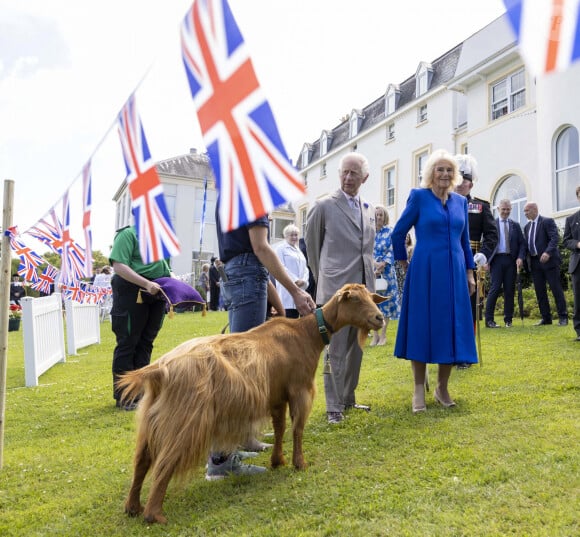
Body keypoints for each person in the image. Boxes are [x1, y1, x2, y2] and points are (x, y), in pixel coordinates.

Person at [205, 204, 317, 480]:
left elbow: (251, 257)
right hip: (247, 278)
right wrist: (295, 291)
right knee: (240, 372)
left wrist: (278, 305)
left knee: (242, 368)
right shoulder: (251, 192)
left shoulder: (233, 190)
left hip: (240, 276)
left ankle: (240, 440)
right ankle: (220, 459)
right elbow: (261, 249)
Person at [392, 149, 477, 413]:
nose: (444, 174)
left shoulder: (460, 202)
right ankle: (418, 389)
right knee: (422, 326)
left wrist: (470, 272)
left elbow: (464, 242)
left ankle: (442, 387)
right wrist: (405, 264)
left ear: (456, 175)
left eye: (449, 170)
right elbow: (398, 233)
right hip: (425, 270)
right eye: (439, 169)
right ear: (431, 173)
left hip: (454, 270)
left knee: (451, 326)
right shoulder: (419, 197)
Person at [305, 152, 376, 424]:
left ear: (364, 178)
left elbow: (365, 251)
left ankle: (348, 398)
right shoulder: (323, 206)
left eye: (354, 174)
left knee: (356, 348)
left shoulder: (368, 209)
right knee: (334, 350)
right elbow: (312, 248)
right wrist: (324, 279)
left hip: (364, 292)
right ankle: (333, 407)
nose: (348, 178)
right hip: (336, 292)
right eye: (344, 172)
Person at [109, 226, 170, 410]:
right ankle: (125, 397)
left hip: (157, 292)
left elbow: (165, 267)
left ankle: (141, 394)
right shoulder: (127, 234)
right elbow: (119, 265)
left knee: (146, 343)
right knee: (128, 343)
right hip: (132, 290)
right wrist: (145, 283)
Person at [454, 153, 497, 368]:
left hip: (471, 260)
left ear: (471, 183)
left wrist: (484, 254)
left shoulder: (480, 206)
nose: (461, 184)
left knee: (469, 308)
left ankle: (464, 354)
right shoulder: (444, 204)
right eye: (458, 179)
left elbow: (492, 235)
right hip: (448, 260)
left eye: (465, 180)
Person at [523, 202, 568, 326]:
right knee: (540, 291)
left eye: (527, 211)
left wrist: (548, 252)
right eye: (524, 211)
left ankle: (563, 317)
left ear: (535, 209)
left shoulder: (547, 222)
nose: (525, 213)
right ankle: (546, 318)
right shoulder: (526, 227)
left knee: (556, 289)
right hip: (534, 263)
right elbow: (527, 246)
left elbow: (555, 238)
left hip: (549, 262)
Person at [484, 199, 526, 328]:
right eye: (503, 209)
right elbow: (486, 243)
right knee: (495, 288)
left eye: (508, 209)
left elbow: (522, 244)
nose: (505, 211)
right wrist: (486, 260)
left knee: (509, 290)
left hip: (511, 261)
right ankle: (489, 320)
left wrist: (520, 257)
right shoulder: (492, 224)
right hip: (496, 260)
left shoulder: (515, 225)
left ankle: (508, 320)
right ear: (498, 209)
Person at [371, 205, 400, 346]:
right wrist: (374, 265)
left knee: (385, 303)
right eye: (376, 215)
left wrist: (383, 264)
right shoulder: (369, 232)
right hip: (371, 271)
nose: (378, 217)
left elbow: (393, 248)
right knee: (371, 303)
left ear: (385, 216)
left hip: (387, 272)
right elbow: (364, 250)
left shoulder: (390, 231)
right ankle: (374, 335)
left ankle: (383, 335)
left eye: (380, 215)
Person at [274, 224, 310, 318]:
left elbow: (305, 268)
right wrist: (295, 280)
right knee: (288, 318)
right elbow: (281, 267)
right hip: (287, 291)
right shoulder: (280, 249)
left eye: (296, 235)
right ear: (286, 236)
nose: (294, 237)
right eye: (291, 235)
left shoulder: (299, 251)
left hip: (300, 290)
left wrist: (304, 281)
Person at [563, 186, 580, 341]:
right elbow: (566, 240)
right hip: (578, 264)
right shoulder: (571, 219)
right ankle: (579, 331)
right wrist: (577, 244)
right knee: (579, 299)